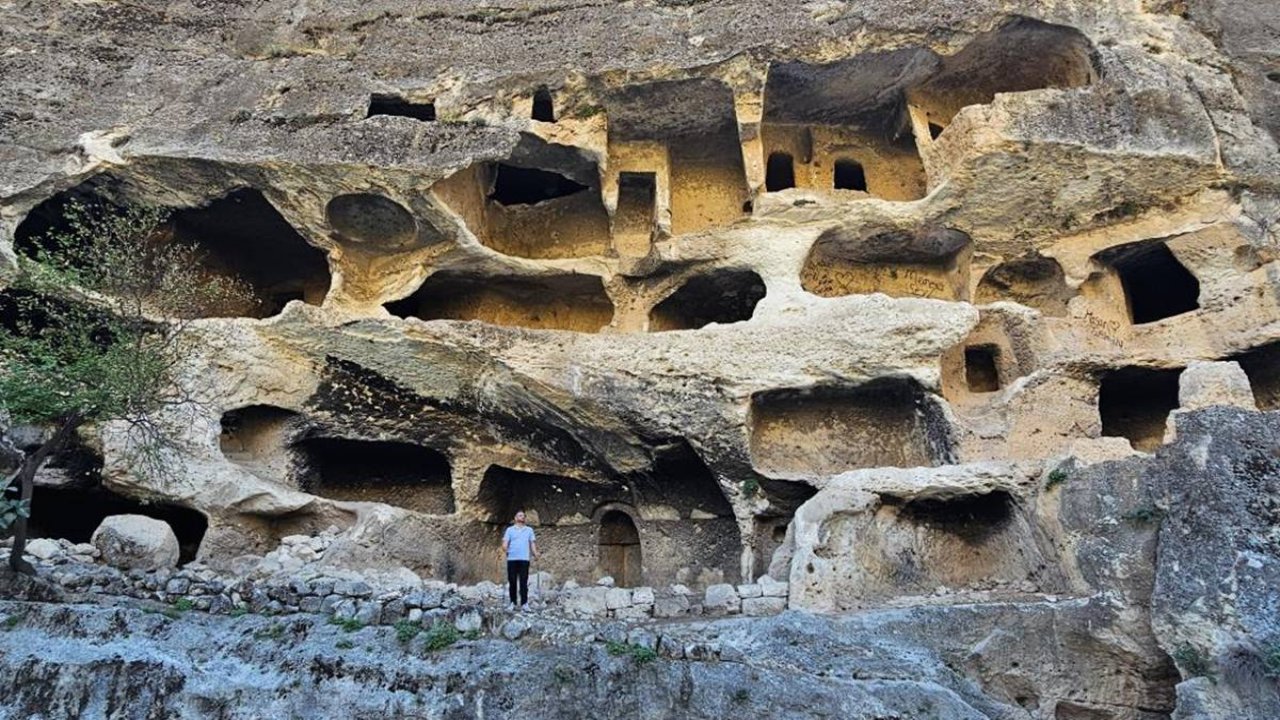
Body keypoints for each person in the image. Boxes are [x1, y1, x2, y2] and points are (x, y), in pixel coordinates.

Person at [501, 510, 538, 610]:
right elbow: (505, 542)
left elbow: (532, 543)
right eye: (520, 515)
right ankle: (512, 602)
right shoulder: (510, 530)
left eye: (523, 516)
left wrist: (535, 553)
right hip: (512, 558)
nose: (522, 517)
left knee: (523, 581)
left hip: (524, 558)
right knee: (512, 581)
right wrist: (505, 549)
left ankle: (524, 603)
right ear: (515, 518)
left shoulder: (529, 530)